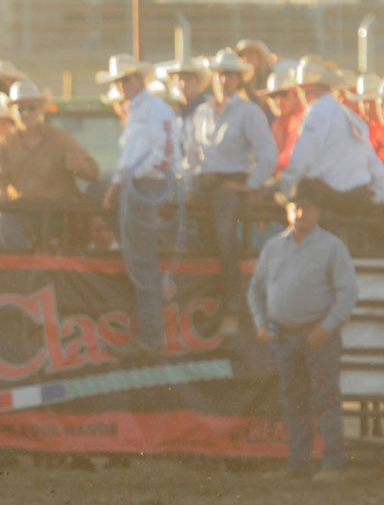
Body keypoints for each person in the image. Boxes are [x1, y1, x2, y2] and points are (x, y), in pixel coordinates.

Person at [248, 179, 357, 480]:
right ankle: (299, 464)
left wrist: (327, 326)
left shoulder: (332, 247)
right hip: (284, 332)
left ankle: (332, 465)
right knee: (295, 399)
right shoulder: (273, 247)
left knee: (324, 399)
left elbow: (348, 293)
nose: (300, 214)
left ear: (317, 212)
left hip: (318, 332)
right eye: (295, 208)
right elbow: (255, 290)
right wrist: (260, 323)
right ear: (288, 211)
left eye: (306, 208)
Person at [98, 54, 182, 358]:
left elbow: (164, 153)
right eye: (119, 81)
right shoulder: (137, 110)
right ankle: (150, 333)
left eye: (126, 79)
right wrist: (117, 184)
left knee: (142, 259)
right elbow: (133, 155)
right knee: (136, 258)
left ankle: (151, 335)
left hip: (147, 187)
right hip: (137, 186)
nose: (122, 86)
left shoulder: (156, 108)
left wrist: (130, 178)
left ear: (140, 79)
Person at [190, 48, 278, 334]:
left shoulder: (249, 112)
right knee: (200, 240)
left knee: (227, 241)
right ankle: (203, 303)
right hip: (206, 184)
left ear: (239, 80)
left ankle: (231, 309)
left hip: (230, 185)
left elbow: (268, 154)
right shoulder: (202, 112)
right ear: (213, 78)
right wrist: (191, 183)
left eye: (229, 76)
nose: (224, 80)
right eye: (220, 75)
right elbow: (191, 155)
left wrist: (250, 185)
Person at [0, 80, 100, 253]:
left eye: (31, 108)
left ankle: (23, 271)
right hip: (22, 214)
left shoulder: (61, 138)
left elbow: (93, 173)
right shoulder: (4, 145)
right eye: (20, 108)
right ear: (12, 112)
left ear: (41, 109)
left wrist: (79, 166)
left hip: (60, 216)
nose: (26, 113)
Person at [277, 58, 384, 215]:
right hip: (358, 196)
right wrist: (379, 197)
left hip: (330, 198)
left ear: (305, 90)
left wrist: (285, 190)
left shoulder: (315, 113)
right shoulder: (352, 118)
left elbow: (301, 158)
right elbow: (373, 164)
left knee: (300, 189)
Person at [161, 56, 212, 191]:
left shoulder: (208, 109)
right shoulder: (174, 112)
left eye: (188, 79)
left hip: (200, 178)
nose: (183, 84)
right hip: (178, 177)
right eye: (179, 79)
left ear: (198, 82)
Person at [260, 70, 304, 180]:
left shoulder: (301, 119)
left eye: (283, 94)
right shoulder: (277, 124)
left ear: (295, 94)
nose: (278, 100)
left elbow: (290, 156)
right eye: (273, 95)